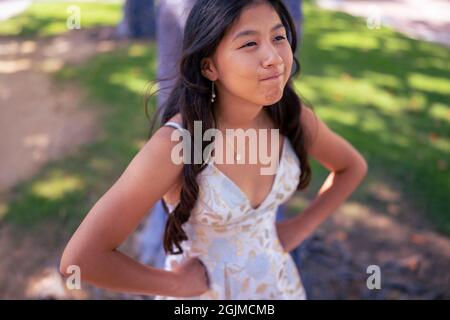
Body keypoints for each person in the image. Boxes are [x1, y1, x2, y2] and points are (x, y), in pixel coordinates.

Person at [60, 0, 367, 300]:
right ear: (209, 66)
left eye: (278, 37)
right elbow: (81, 260)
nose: (273, 57)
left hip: (278, 285)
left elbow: (352, 167)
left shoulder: (290, 115)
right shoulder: (177, 145)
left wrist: (298, 229)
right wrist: (178, 286)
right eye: (249, 44)